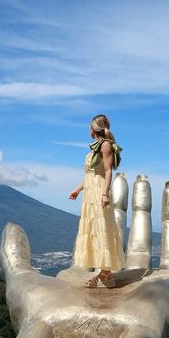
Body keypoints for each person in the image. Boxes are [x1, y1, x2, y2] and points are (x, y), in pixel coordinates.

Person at [69, 114, 126, 288]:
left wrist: (105, 193)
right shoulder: (94, 149)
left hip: (99, 191)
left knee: (102, 228)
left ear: (93, 129)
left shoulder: (105, 145)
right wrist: (78, 190)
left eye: (89, 127)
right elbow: (90, 176)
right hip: (90, 193)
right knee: (94, 229)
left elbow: (107, 172)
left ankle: (106, 274)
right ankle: (103, 273)